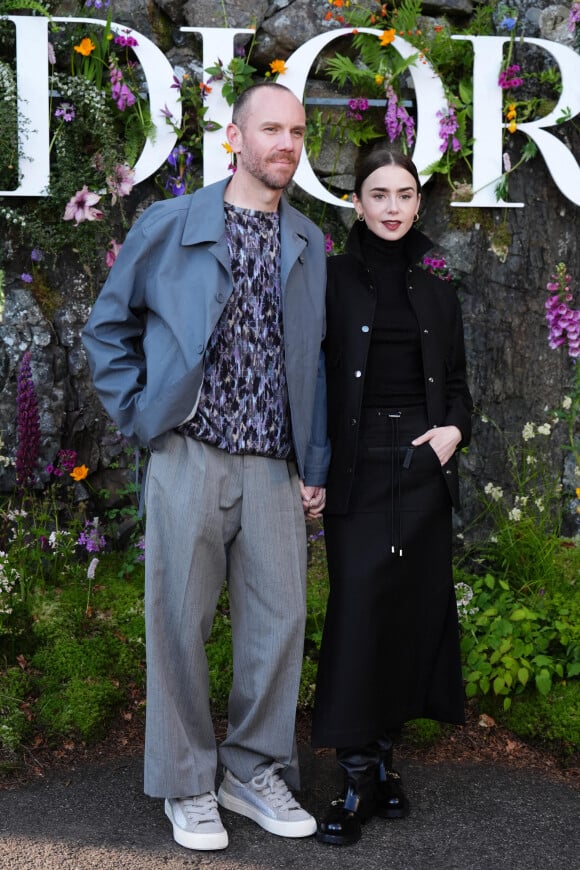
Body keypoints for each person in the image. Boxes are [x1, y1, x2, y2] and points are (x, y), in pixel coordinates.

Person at [82, 82, 330, 852]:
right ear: (235, 137)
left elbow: (317, 361)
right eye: (270, 130)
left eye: (295, 132)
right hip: (188, 453)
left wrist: (312, 460)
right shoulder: (172, 223)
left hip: (271, 465)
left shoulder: (309, 241)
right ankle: (187, 784)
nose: (285, 144)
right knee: (178, 624)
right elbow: (107, 329)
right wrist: (142, 415)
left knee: (281, 625)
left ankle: (250, 770)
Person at [312, 148, 473, 846]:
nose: (392, 207)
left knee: (410, 612)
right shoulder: (329, 279)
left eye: (404, 194)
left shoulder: (438, 281)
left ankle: (381, 767)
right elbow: (310, 381)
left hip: (421, 459)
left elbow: (461, 380)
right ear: (355, 203)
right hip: (356, 462)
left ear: (417, 202)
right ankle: (354, 777)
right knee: (358, 609)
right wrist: (311, 466)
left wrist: (454, 433)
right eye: (378, 194)